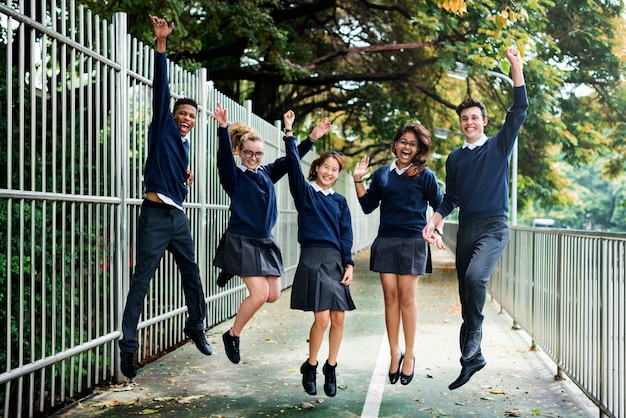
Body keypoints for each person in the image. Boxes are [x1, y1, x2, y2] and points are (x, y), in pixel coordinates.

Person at [422, 47, 528, 390]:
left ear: (484, 121)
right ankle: (471, 359)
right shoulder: (454, 158)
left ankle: (475, 340)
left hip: (494, 228)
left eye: (475, 118)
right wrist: (434, 220)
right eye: (464, 118)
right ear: (461, 123)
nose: (470, 122)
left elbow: (520, 109)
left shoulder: (498, 146)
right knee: (466, 295)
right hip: (466, 230)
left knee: (476, 279)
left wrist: (516, 66)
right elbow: (450, 197)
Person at [118, 15, 212, 380]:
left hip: (178, 218)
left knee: (193, 274)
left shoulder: (184, 146)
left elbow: (173, 169)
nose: (186, 118)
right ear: (172, 116)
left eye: (191, 115)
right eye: (182, 114)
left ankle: (196, 326)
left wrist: (183, 176)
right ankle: (128, 348)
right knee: (142, 280)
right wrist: (161, 45)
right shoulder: (163, 127)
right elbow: (162, 89)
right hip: (156, 217)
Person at [210, 103, 323, 364]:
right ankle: (233, 335)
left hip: (264, 240)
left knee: (272, 295)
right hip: (242, 240)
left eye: (259, 154)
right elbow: (224, 159)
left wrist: (307, 136)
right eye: (249, 153)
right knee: (259, 295)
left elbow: (290, 160)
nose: (254, 158)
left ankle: (231, 267)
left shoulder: (266, 172)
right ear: (240, 151)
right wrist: (222, 128)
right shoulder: (234, 176)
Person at [353, 123, 445, 386]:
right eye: (403, 141)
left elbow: (440, 205)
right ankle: (395, 352)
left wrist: (435, 231)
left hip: (413, 241)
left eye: (413, 144)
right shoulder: (382, 174)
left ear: (419, 149)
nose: (407, 147)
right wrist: (358, 179)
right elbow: (368, 205)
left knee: (407, 298)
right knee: (390, 297)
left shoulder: (425, 176)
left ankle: (410, 354)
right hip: (387, 240)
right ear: (395, 144)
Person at [282, 111, 355, 397]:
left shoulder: (340, 201)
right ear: (317, 168)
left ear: (338, 174)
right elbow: (290, 164)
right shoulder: (305, 193)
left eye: (335, 169)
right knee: (322, 319)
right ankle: (311, 365)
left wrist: (348, 263)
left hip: (336, 262)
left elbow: (346, 234)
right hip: (312, 259)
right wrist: (291, 133)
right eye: (326, 167)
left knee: (339, 319)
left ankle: (331, 367)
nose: (329, 172)